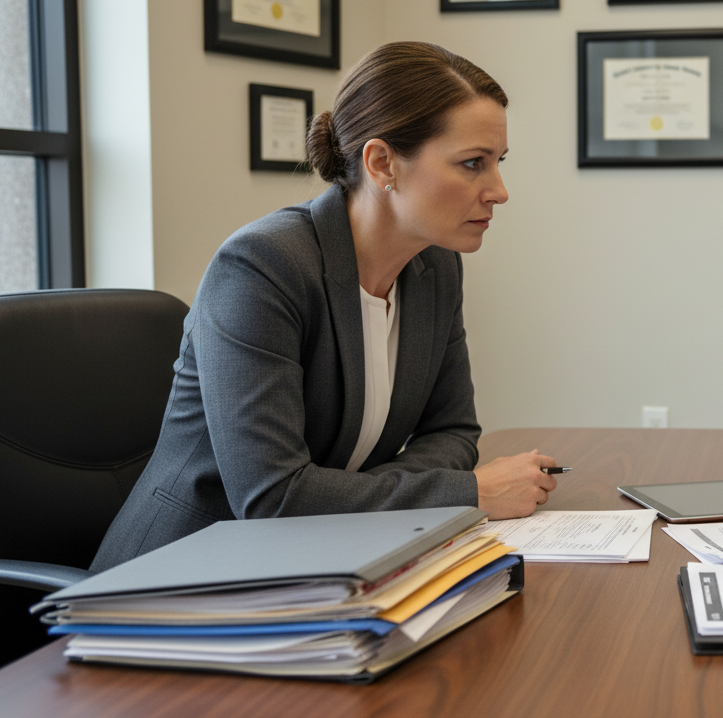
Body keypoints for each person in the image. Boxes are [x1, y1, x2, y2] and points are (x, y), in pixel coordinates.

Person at [93, 42, 556, 571]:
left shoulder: (436, 268)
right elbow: (275, 500)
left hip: (328, 560)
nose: (499, 190)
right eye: (473, 163)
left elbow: (452, 432)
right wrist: (467, 491)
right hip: (182, 576)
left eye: (498, 163)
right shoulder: (262, 266)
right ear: (383, 163)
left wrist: (339, 494)